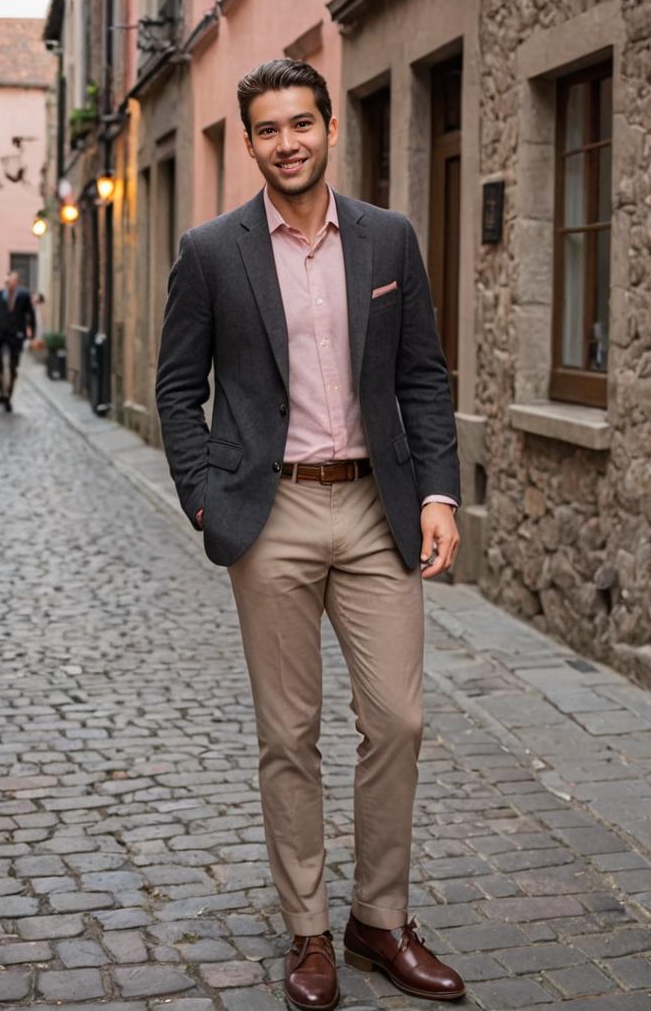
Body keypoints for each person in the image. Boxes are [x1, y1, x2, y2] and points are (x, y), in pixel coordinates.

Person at [156, 59, 464, 1010]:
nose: (287, 141)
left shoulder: (388, 239)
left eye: (302, 123)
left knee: (398, 721)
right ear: (248, 143)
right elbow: (178, 387)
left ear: (331, 127)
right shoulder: (212, 251)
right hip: (271, 513)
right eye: (268, 129)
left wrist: (440, 495)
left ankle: (378, 918)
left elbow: (424, 377)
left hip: (377, 507)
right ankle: (308, 932)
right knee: (289, 735)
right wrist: (207, 497)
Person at [0, 271, 35, 412]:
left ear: (17, 282)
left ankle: (9, 393)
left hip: (16, 335)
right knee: (0, 364)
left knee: (14, 366)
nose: (10, 285)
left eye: (13, 282)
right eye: (8, 282)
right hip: (0, 335)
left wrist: (31, 332)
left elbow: (30, 315)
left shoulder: (23, 296)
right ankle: (1, 389)